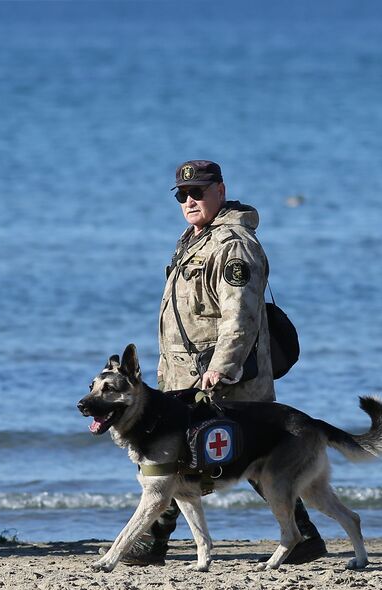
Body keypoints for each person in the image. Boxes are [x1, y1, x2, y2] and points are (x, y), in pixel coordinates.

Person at [123, 159, 326, 566]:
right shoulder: (196, 238)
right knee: (208, 457)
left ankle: (152, 541)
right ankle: (302, 538)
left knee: (238, 456)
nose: (189, 200)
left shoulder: (234, 245)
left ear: (221, 189)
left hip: (225, 379)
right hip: (185, 375)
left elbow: (241, 316)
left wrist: (222, 367)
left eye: (198, 191)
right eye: (182, 194)